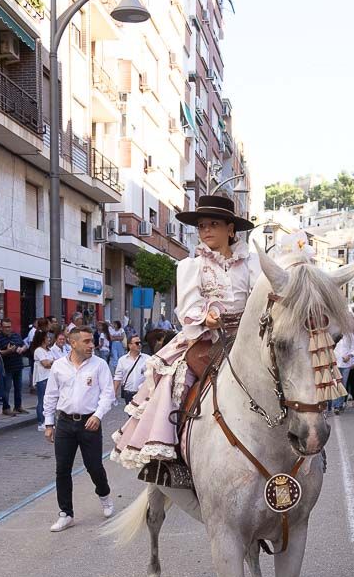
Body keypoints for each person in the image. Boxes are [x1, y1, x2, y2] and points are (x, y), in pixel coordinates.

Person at [111, 195, 260, 470]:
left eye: (213, 224)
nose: (206, 230)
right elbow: (187, 308)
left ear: (231, 229)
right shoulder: (191, 266)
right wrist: (208, 318)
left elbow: (260, 298)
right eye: (202, 225)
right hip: (205, 338)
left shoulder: (251, 264)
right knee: (176, 379)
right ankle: (171, 457)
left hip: (247, 337)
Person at [44, 327, 115, 531]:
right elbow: (50, 395)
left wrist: (98, 415)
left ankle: (104, 495)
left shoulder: (99, 365)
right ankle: (66, 513)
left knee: (94, 466)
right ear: (72, 343)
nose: (91, 345)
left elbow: (108, 394)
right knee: (62, 469)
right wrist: (49, 423)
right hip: (65, 422)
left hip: (89, 423)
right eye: (86, 341)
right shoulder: (58, 366)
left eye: (91, 341)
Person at [0, 318, 28, 416]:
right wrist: (8, 351)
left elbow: (24, 345)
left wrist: (22, 349)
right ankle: (6, 408)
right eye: (5, 327)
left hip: (18, 365)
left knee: (18, 387)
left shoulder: (16, 335)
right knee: (7, 388)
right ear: (1, 327)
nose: (8, 329)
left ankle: (18, 406)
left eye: (9, 327)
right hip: (7, 367)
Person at [113, 336, 150, 405]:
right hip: (128, 393)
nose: (139, 345)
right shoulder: (122, 360)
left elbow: (151, 376)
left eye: (140, 343)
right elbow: (118, 377)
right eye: (137, 343)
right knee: (130, 415)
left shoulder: (147, 359)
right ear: (130, 345)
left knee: (141, 415)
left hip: (142, 393)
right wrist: (114, 391)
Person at [33, 331, 57, 428]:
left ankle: (48, 421)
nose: (49, 339)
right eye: (47, 337)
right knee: (42, 399)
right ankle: (41, 422)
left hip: (50, 377)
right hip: (42, 378)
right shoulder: (39, 350)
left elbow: (53, 362)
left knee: (49, 400)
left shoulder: (49, 350)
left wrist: (51, 362)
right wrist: (52, 362)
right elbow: (45, 364)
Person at [332, 330, 354, 414]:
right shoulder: (334, 333)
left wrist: (349, 355)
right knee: (335, 384)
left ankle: (339, 404)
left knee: (343, 385)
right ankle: (335, 405)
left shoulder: (350, 335)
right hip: (335, 363)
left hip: (345, 364)